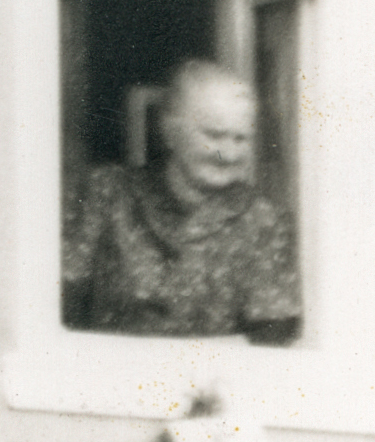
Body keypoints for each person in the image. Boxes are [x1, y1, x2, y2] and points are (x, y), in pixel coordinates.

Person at [60, 58, 301, 341]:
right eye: (214, 135)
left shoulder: (265, 221)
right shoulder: (107, 193)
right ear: (170, 131)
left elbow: (272, 338)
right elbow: (55, 303)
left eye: (241, 139)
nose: (228, 154)